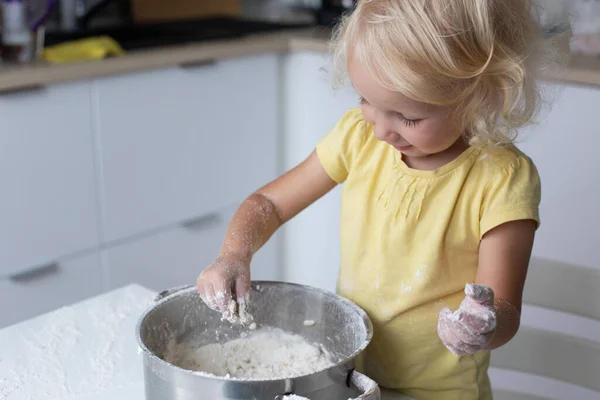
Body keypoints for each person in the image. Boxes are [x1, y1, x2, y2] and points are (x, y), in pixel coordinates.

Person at [197, 0, 563, 398]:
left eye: (408, 117)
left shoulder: (501, 179)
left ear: (477, 94)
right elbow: (268, 204)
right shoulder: (357, 138)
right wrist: (233, 254)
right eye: (366, 101)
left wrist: (483, 323)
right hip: (349, 376)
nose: (381, 130)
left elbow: (505, 312)